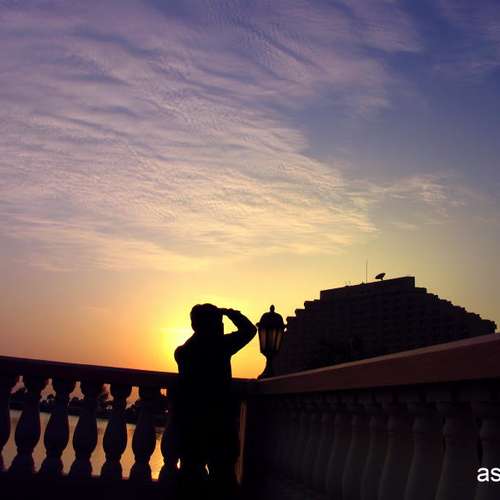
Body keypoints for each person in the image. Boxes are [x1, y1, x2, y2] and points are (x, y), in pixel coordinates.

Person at [173, 304, 257, 498]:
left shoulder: (182, 352)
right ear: (214, 325)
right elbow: (249, 330)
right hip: (219, 423)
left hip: (192, 424)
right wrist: (231, 313)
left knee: (190, 478)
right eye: (219, 322)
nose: (222, 326)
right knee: (223, 479)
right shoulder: (221, 345)